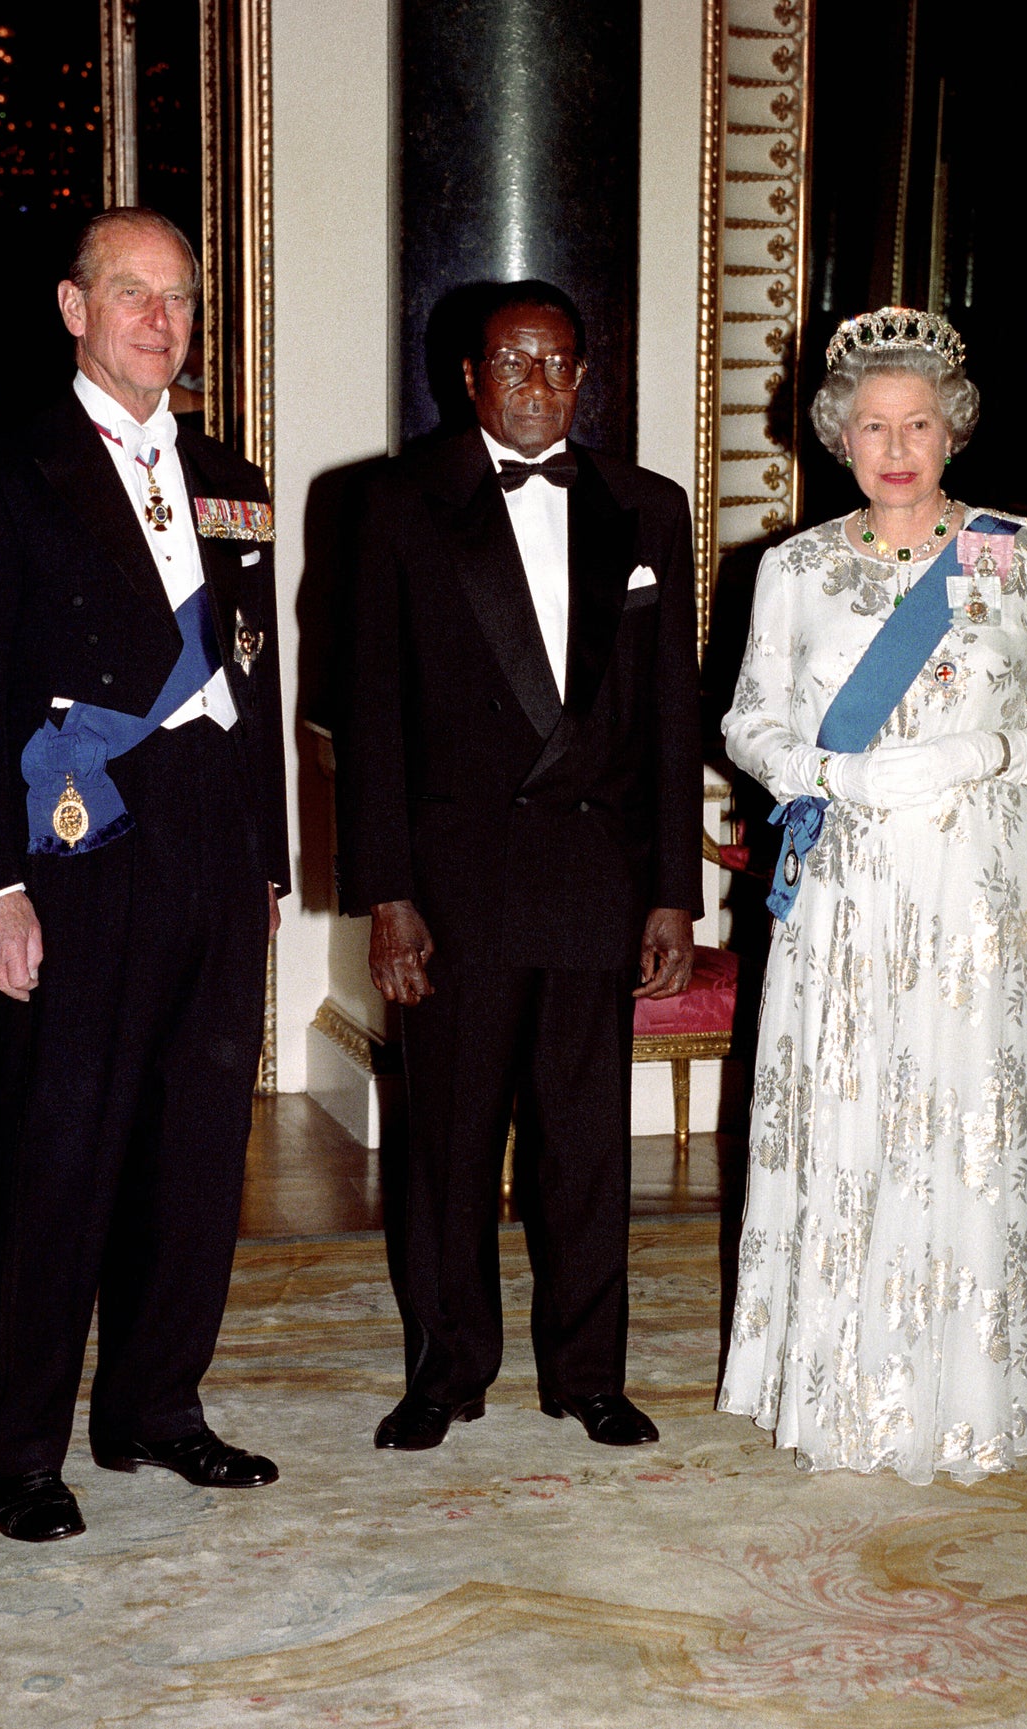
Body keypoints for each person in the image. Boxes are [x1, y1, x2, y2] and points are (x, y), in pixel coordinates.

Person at [717, 306, 1027, 1485]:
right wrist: (824, 769)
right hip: (849, 901)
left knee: (964, 1119)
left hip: (978, 904)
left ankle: (976, 1385)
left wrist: (974, 757)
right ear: (833, 436)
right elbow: (747, 719)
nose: (893, 447)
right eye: (868, 426)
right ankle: (843, 1387)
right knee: (855, 1114)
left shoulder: (1024, 554)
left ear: (951, 430)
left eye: (916, 423)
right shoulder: (793, 569)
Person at [0, 207, 289, 1541]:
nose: (161, 318)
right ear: (75, 311)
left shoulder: (233, 473)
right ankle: (24, 1446)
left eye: (179, 297)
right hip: (70, 848)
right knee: (53, 1158)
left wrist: (268, 860)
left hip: (210, 850)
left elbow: (253, 673)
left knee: (195, 1148)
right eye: (131, 294)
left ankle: (155, 1407)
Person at [336, 280, 703, 1452]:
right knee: (444, 1144)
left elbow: (667, 716)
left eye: (557, 365)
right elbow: (371, 719)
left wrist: (670, 890)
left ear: (584, 376)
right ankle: (446, 1372)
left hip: (595, 875)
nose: (535, 387)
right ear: (467, 378)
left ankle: (589, 1372)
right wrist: (387, 896)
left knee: (586, 1144)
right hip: (454, 884)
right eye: (512, 365)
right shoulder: (394, 503)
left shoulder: (647, 508)